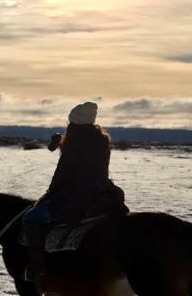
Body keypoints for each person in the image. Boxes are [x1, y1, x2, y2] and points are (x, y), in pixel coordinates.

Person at [23, 102, 128, 282]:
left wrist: (49, 194)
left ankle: (37, 267)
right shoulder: (101, 139)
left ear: (75, 124)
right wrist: (61, 144)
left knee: (31, 218)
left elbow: (63, 173)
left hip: (76, 194)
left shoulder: (75, 142)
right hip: (101, 190)